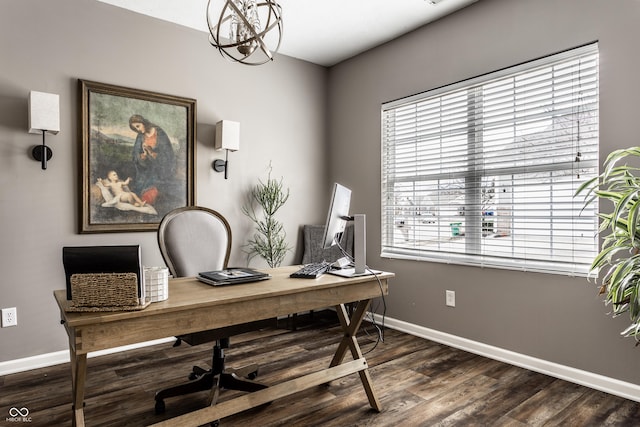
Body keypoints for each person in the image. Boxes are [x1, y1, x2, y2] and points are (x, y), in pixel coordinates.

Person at [129, 114, 176, 205]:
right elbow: (135, 154)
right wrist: (141, 157)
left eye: (138, 126)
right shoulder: (140, 136)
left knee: (152, 185)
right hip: (145, 169)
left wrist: (152, 154)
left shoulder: (159, 133)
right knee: (141, 183)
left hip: (160, 168)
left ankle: (146, 200)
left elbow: (168, 154)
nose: (138, 130)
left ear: (143, 122)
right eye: (135, 129)